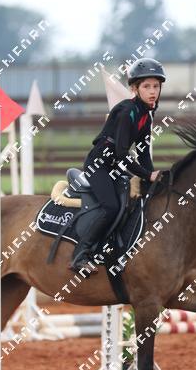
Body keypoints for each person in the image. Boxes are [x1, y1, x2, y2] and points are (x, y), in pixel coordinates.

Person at [67, 57, 166, 274]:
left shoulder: (146, 117)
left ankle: (113, 249)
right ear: (134, 89)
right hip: (99, 165)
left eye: (156, 86)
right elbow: (121, 154)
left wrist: (152, 178)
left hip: (116, 167)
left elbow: (143, 154)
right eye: (146, 86)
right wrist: (147, 175)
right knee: (111, 207)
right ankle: (80, 255)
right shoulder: (126, 112)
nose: (152, 91)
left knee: (132, 203)